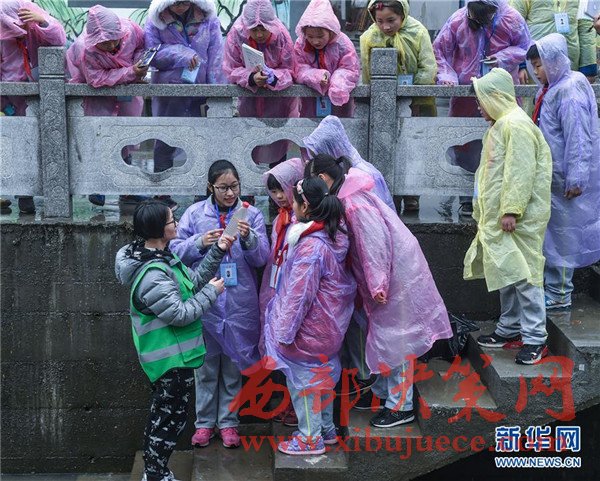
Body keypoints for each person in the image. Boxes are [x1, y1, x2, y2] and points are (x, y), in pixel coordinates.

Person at [305, 154, 452, 428]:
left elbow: (374, 243)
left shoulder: (353, 203)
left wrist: (377, 283)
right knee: (385, 337)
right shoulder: (349, 195)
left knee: (397, 339)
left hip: (393, 275)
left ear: (323, 178)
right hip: (390, 272)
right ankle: (385, 394)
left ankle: (401, 406)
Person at [115, 199, 234, 481]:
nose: (177, 224)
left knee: (168, 417)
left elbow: (193, 281)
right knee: (167, 420)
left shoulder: (163, 258)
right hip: (169, 362)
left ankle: (155, 471)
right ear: (159, 229)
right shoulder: (153, 274)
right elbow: (180, 314)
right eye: (171, 220)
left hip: (178, 358)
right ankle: (156, 474)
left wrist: (218, 250)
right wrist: (212, 293)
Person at [170, 160, 269, 449]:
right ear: (210, 187)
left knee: (233, 367)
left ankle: (228, 423)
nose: (229, 193)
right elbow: (174, 253)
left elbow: (262, 258)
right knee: (206, 367)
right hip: (206, 302)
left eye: (234, 186)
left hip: (239, 304)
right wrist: (200, 242)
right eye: (223, 187)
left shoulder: (250, 214)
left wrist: (249, 237)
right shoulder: (194, 214)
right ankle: (203, 424)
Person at [466, 68, 552, 365]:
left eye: (481, 101)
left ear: (496, 97)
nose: (479, 107)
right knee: (507, 273)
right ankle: (510, 327)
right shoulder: (501, 125)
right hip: (502, 218)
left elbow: (520, 171)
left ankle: (535, 338)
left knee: (525, 276)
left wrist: (511, 210)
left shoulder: (515, 125)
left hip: (518, 218)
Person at [264, 177, 356, 455]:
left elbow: (299, 295)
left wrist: (284, 332)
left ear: (305, 206)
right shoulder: (334, 234)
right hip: (329, 327)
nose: (291, 206)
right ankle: (326, 429)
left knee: (304, 384)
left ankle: (309, 438)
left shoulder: (311, 246)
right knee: (323, 379)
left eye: (294, 201)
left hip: (309, 330)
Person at [433, 0, 530, 216]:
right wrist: (448, 75)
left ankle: (501, 199)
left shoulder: (511, 19)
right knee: (465, 144)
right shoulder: (457, 20)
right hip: (467, 95)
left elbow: (525, 46)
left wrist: (503, 57)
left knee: (503, 142)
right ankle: (466, 197)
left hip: (500, 93)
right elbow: (439, 50)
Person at [526, 34, 600, 310]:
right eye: (534, 66)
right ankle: (554, 288)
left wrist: (576, 177)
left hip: (564, 177)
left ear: (554, 61)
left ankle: (559, 292)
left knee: (563, 234)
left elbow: (578, 136)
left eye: (539, 65)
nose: (536, 72)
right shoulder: (550, 88)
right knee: (553, 233)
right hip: (551, 175)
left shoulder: (569, 89)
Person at [66, 5, 148, 208]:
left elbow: (142, 46)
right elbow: (95, 78)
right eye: (104, 43)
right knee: (99, 135)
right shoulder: (84, 49)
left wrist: (139, 63)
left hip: (127, 93)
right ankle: (97, 186)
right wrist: (130, 72)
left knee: (127, 136)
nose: (111, 45)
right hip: (98, 94)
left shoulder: (132, 30)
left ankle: (127, 189)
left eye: (114, 39)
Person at [360, 0, 437, 212]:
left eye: (391, 20)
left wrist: (412, 94)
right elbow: (366, 73)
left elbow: (428, 67)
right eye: (380, 21)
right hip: (383, 104)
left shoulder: (418, 32)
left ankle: (412, 194)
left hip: (417, 103)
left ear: (403, 15)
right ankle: (388, 193)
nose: (385, 27)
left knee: (414, 148)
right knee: (385, 146)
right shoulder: (369, 37)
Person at [0, 0, 66, 214]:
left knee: (46, 142)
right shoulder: (2, 37)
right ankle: (24, 195)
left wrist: (44, 22)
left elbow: (59, 39)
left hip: (43, 95)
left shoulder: (35, 28)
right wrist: (5, 104)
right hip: (14, 98)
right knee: (20, 146)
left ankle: (53, 192)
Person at [145, 0, 225, 174]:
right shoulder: (156, 20)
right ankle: (162, 187)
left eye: (184, 2)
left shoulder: (208, 19)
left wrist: (216, 89)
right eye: (176, 3)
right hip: (169, 91)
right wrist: (180, 53)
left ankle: (202, 186)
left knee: (201, 140)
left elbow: (216, 56)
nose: (180, 6)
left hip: (201, 91)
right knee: (165, 139)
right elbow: (152, 54)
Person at [258, 157, 305, 427]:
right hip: (276, 291)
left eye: (282, 190)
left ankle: (300, 410)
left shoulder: (302, 220)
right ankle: (289, 403)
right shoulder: (281, 219)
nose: (278, 196)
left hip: (292, 294)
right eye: (273, 191)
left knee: (295, 355)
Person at [222, 0, 298, 165]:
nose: (259, 34)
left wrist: (273, 77)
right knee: (248, 149)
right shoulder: (237, 34)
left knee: (277, 147)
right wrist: (250, 78)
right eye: (254, 29)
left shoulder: (281, 35)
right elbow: (230, 68)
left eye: (263, 29)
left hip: (278, 103)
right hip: (248, 101)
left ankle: (277, 181)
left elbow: (291, 70)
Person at [302, 115, 395, 211]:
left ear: (332, 149)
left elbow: (374, 215)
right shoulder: (343, 173)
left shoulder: (363, 175)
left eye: (317, 155)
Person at [293, 0, 360, 118]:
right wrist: (317, 76)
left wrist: (337, 82)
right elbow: (298, 68)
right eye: (310, 36)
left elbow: (350, 68)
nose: (315, 41)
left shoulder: (343, 43)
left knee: (340, 125)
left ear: (330, 30)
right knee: (310, 127)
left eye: (320, 36)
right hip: (310, 100)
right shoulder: (301, 44)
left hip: (339, 101)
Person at [511, 0, 597, 84]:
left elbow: (586, 29)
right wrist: (520, 65)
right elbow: (514, 24)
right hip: (534, 65)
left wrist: (588, 69)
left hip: (570, 65)